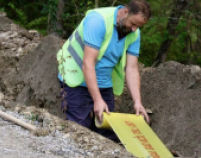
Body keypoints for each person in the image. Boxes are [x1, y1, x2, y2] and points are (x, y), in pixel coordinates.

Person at [57, 0, 151, 142]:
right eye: (133, 24)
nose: (134, 29)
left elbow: (132, 68)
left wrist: (138, 102)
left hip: (103, 82)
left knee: (108, 133)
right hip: (75, 76)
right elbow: (88, 63)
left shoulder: (134, 33)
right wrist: (97, 99)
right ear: (125, 11)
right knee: (79, 130)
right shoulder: (98, 21)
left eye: (138, 26)